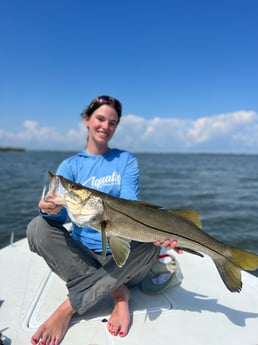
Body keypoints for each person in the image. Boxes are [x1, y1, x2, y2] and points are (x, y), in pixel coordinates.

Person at [27, 95, 180, 345]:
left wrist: (166, 233)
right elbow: (61, 215)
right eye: (100, 119)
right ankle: (118, 292)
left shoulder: (126, 160)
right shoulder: (70, 165)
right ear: (87, 120)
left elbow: (130, 203)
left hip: (123, 260)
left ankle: (68, 308)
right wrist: (50, 211)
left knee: (151, 245)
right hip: (83, 256)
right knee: (36, 227)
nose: (105, 126)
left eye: (113, 122)